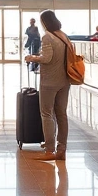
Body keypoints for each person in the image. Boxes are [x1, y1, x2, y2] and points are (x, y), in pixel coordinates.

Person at [24, 10, 72, 161]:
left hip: (50, 81)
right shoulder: (63, 35)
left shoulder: (47, 37)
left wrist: (32, 57)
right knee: (61, 114)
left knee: (46, 114)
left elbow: (47, 58)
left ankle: (50, 150)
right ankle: (62, 148)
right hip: (65, 80)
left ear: (44, 22)